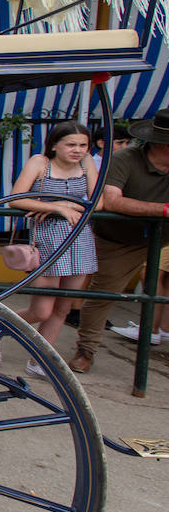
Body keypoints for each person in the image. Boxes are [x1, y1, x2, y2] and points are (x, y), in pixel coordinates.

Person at [0, 122, 99, 377]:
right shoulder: (40, 163)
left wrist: (68, 207)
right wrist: (56, 206)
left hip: (80, 239)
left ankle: (40, 360)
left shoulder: (87, 163)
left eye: (82, 145)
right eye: (71, 144)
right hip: (49, 239)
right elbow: (15, 198)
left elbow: (97, 201)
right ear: (55, 144)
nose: (77, 150)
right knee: (42, 309)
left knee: (63, 308)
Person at [72, 109, 169, 373]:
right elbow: (113, 200)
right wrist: (163, 210)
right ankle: (86, 349)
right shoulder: (125, 158)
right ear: (161, 143)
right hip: (119, 238)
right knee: (104, 291)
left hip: (163, 235)